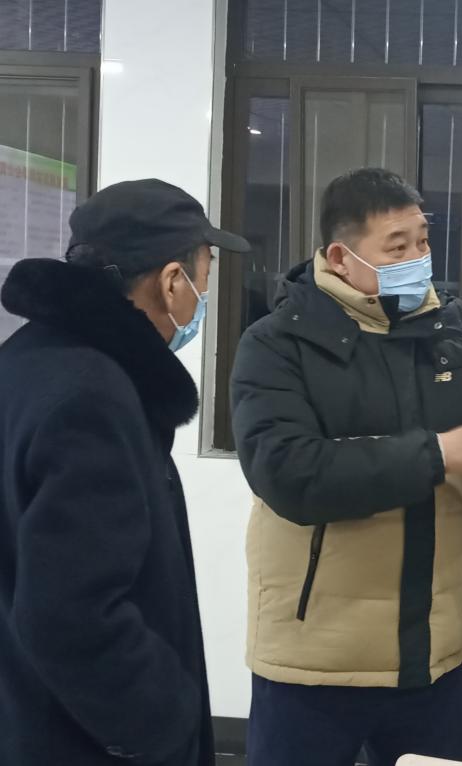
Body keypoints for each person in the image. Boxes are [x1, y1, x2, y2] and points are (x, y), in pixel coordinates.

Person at [231, 167, 462, 766]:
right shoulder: (277, 344)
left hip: (428, 654)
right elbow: (288, 475)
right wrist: (440, 453)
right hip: (315, 659)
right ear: (340, 258)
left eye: (422, 242)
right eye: (396, 248)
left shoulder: (455, 338)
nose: (417, 259)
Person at [0, 180, 251, 765]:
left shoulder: (27, 361)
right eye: (205, 276)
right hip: (80, 741)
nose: (204, 296)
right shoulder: (93, 399)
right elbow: (70, 614)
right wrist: (164, 719)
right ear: (172, 282)